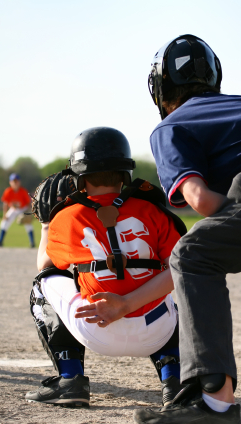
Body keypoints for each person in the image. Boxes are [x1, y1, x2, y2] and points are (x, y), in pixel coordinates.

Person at [133, 34, 241, 424]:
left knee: (193, 255)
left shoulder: (170, 127)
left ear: (160, 91)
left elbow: (200, 200)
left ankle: (214, 404)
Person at [26, 126, 186, 407]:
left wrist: (46, 225)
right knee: (174, 280)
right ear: (126, 174)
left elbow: (46, 267)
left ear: (79, 178)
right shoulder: (153, 210)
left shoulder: (68, 215)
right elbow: (181, 269)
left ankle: (70, 379)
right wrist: (129, 300)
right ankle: (174, 381)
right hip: (156, 329)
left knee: (44, 283)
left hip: (95, 327)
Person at [0, 173, 35, 247]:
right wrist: (5, 214)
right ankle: (0, 241)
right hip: (13, 209)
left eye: (16, 181)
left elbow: (28, 203)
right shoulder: (8, 191)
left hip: (23, 209)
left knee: (28, 224)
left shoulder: (23, 191)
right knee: (4, 222)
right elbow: (5, 203)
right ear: (10, 182)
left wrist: (27, 212)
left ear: (19, 182)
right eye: (13, 181)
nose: (15, 183)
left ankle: (32, 243)